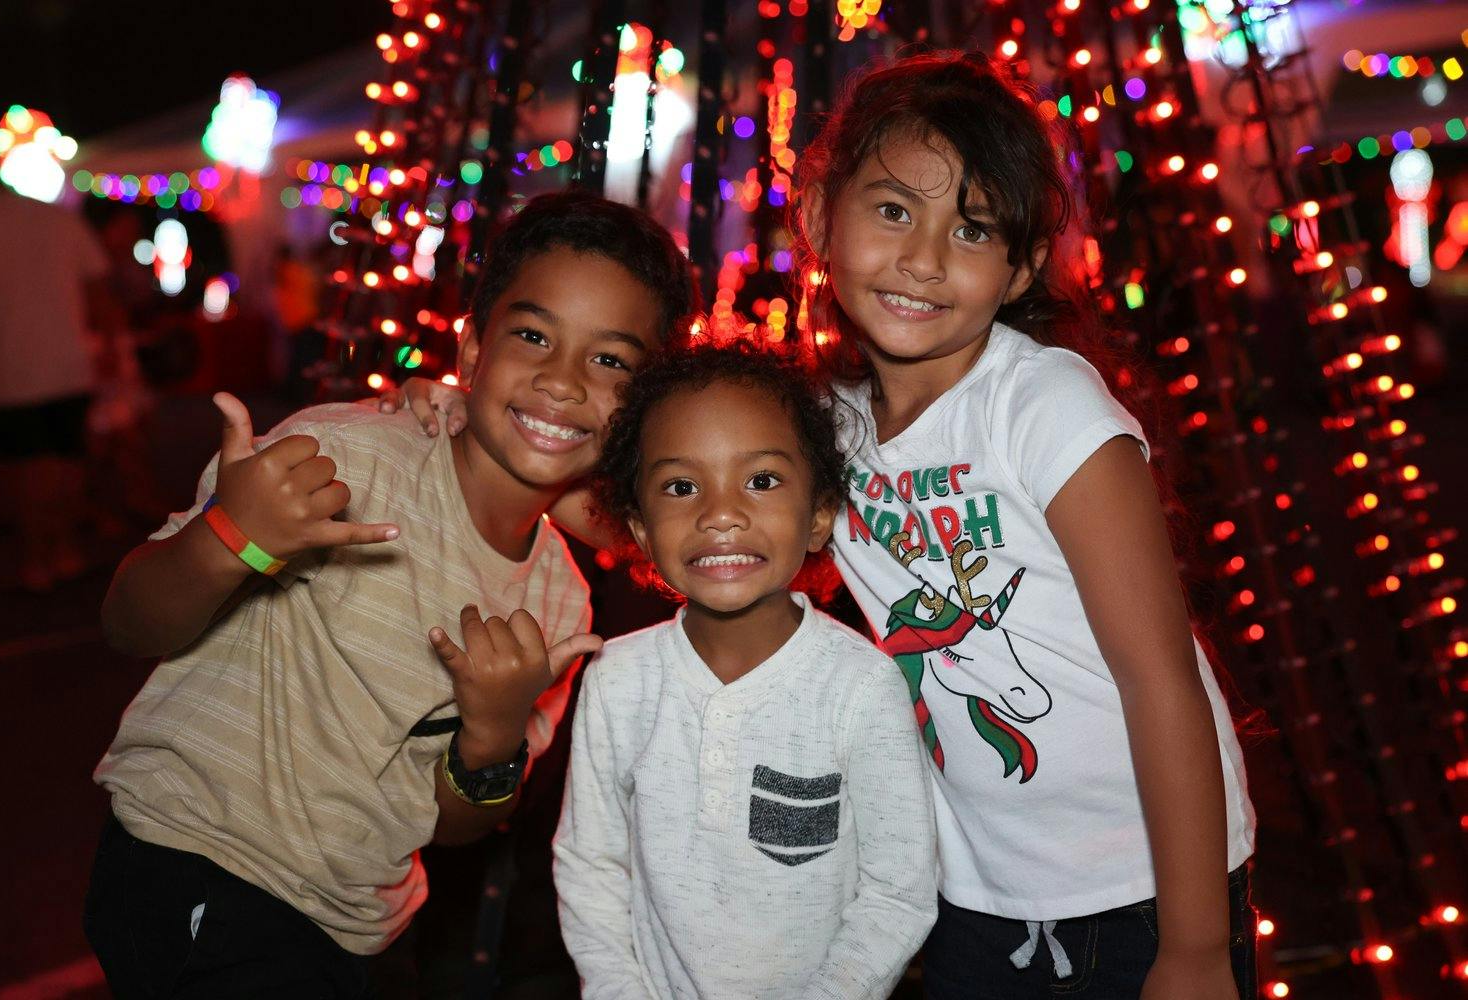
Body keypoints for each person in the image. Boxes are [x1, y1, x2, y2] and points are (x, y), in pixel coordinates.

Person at [395, 52, 1258, 1000]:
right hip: (977, 891)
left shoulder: (1043, 404)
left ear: (1020, 268)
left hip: (1146, 887)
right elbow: (677, 523)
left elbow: (1159, 676)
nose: (925, 259)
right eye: (893, 210)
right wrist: (475, 425)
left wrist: (1195, 948)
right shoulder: (827, 428)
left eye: (973, 229)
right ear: (816, 218)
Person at [85, 190, 696, 996]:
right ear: (471, 352)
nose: (562, 379)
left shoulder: (560, 605)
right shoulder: (340, 461)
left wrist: (492, 737)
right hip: (210, 865)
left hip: (364, 924)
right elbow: (128, 621)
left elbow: (454, 824)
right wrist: (234, 536)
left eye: (610, 360)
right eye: (533, 336)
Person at [553, 344, 937, 998]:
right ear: (641, 530)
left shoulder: (860, 686)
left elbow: (897, 895)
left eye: (761, 480)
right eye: (682, 487)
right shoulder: (618, 679)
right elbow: (591, 867)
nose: (720, 514)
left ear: (819, 516)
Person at [0, 142, 115, 590]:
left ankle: (38, 557)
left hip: (10, 371)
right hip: (69, 364)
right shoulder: (55, 218)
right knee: (66, 461)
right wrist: (110, 346)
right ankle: (65, 550)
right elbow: (98, 289)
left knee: (28, 468)